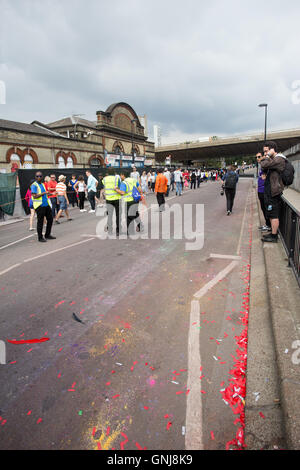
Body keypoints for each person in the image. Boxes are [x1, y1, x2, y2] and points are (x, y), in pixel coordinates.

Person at [260, 141, 285, 243]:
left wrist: (267, 156)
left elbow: (263, 164)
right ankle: (272, 233)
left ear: (272, 149)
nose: (265, 154)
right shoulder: (274, 160)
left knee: (274, 214)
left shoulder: (279, 159)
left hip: (274, 192)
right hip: (270, 192)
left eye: (266, 151)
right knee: (270, 213)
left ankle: (274, 236)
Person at [30, 172, 55, 242]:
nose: (39, 177)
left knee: (50, 219)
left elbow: (45, 194)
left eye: (40, 176)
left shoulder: (43, 184)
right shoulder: (34, 185)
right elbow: (34, 195)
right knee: (40, 222)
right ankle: (40, 237)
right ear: (35, 177)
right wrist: (44, 193)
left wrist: (52, 193)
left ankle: (47, 234)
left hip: (46, 205)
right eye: (37, 176)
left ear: (42, 177)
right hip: (39, 206)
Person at [103, 170, 122, 236]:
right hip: (117, 199)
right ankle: (118, 231)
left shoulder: (104, 179)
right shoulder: (117, 179)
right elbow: (120, 187)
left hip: (108, 199)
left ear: (107, 173)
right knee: (118, 215)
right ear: (114, 173)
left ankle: (110, 230)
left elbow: (104, 186)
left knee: (110, 215)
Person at [256, 152, 271, 232]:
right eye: (256, 157)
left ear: (263, 157)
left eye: (259, 157)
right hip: (260, 190)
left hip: (264, 190)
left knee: (265, 208)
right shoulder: (261, 166)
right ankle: (267, 224)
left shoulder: (265, 166)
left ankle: (269, 225)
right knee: (263, 208)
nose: (257, 158)